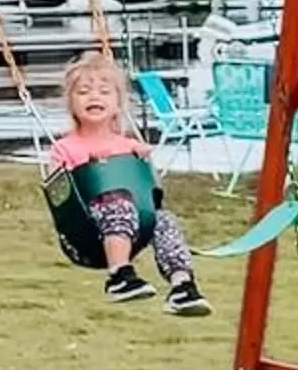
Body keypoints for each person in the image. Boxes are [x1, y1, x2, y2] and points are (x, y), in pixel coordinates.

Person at [48, 52, 206, 315]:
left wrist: (142, 161)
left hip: (136, 223)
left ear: (118, 104)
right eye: (84, 92)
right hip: (86, 229)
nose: (94, 97)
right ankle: (119, 276)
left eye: (104, 92)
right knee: (117, 201)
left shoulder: (129, 145)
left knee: (164, 220)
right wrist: (86, 166)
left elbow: (150, 192)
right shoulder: (64, 148)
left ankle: (182, 286)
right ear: (71, 103)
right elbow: (57, 192)